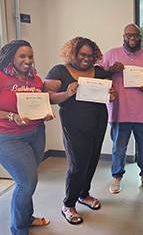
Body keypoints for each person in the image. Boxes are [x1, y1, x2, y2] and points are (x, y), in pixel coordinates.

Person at [44, 37, 116, 225]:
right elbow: (49, 96)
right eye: (82, 54)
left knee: (92, 160)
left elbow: (110, 92)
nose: (86, 59)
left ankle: (84, 194)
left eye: (90, 56)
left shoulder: (99, 71)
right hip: (74, 124)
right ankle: (68, 204)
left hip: (98, 121)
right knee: (77, 165)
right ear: (73, 53)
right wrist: (66, 94)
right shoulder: (59, 70)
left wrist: (112, 95)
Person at [100, 23, 143, 194]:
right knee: (119, 147)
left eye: (136, 35)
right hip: (119, 111)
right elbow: (97, 73)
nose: (132, 38)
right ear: (124, 36)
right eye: (129, 35)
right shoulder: (111, 54)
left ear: (140, 37)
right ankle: (117, 176)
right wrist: (110, 69)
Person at [0, 40, 54, 235]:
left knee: (29, 178)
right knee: (26, 182)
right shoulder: (1, 77)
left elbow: (39, 103)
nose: (27, 60)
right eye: (22, 56)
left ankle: (27, 217)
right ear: (11, 57)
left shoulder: (35, 79)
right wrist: (12, 116)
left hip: (36, 133)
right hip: (8, 137)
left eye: (30, 56)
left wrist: (45, 113)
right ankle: (19, 229)